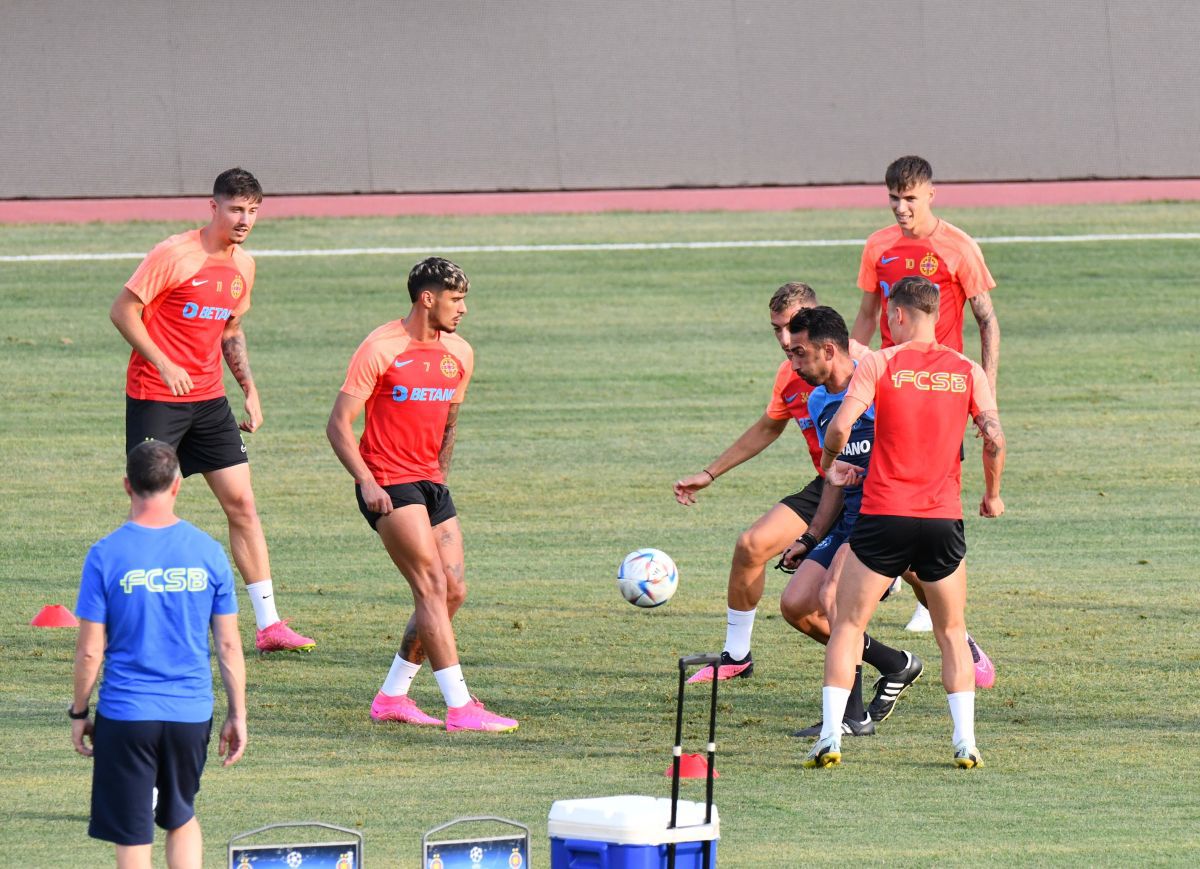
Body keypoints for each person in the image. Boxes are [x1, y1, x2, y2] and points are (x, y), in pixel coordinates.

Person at [803, 276, 1005, 770]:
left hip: (883, 516)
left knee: (848, 624)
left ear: (896, 315)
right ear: (936, 314)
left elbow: (840, 427)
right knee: (951, 632)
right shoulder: (967, 370)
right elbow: (995, 439)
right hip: (941, 519)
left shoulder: (879, 361)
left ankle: (831, 737)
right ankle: (965, 744)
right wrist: (993, 494)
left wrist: (832, 464)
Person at [109, 167, 314, 653]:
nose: (244, 220)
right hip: (156, 395)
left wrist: (250, 388)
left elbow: (229, 330)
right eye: (236, 209)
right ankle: (140, 622)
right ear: (214, 207)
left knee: (242, 504)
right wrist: (162, 363)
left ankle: (269, 626)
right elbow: (123, 310)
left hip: (208, 400)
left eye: (253, 211)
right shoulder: (174, 254)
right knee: (153, 506)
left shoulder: (244, 267)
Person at [326, 256, 517, 732]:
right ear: (426, 299)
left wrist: (441, 479)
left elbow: (450, 422)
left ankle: (392, 697)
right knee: (430, 586)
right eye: (456, 300)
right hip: (388, 482)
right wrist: (366, 480)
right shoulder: (381, 347)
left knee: (452, 591)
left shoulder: (461, 354)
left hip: (430, 483)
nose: (464, 309)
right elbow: (337, 426)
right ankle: (460, 707)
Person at [849, 154, 998, 684]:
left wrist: (987, 395)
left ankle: (930, 601)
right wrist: (853, 373)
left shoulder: (958, 247)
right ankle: (894, 582)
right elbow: (867, 316)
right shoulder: (878, 247)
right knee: (874, 490)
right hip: (885, 391)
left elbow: (987, 321)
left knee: (927, 500)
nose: (901, 207)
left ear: (932, 193)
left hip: (939, 395)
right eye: (893, 198)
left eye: (910, 198)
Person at [72, 440, 247, 868]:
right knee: (181, 815)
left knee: (134, 830)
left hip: (128, 713)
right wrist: (237, 713)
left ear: (127, 486)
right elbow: (227, 644)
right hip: (190, 713)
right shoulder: (208, 552)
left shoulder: (105, 555)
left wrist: (79, 713)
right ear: (176, 487)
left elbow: (91, 651)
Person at [672, 282, 844, 684]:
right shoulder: (790, 375)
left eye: (793, 326)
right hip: (828, 485)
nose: (785, 339)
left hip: (877, 488)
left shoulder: (862, 365)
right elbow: (769, 426)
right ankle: (737, 656)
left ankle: (960, 642)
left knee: (920, 570)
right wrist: (710, 473)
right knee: (751, 545)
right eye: (776, 330)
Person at [777, 306, 922, 736]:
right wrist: (809, 535)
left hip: (884, 515)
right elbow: (834, 480)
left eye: (800, 354)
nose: (794, 364)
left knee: (834, 593)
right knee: (796, 606)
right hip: (847, 519)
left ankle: (850, 714)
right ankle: (895, 663)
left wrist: (877, 471)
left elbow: (912, 455)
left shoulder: (880, 387)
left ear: (828, 349)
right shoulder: (820, 400)